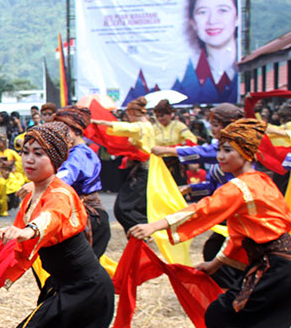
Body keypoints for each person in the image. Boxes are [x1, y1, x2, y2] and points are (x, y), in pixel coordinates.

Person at [129, 118, 291, 328]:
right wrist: (215, 263)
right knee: (254, 322)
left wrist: (154, 225)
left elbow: (202, 210)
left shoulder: (241, 187)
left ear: (246, 152)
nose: (220, 156)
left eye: (228, 150)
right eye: (219, 149)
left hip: (277, 269)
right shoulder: (260, 181)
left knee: (222, 316)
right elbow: (238, 236)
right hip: (284, 268)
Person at [0, 123, 115, 328]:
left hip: (87, 287)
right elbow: (23, 253)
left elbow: (51, 219)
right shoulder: (31, 197)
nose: (29, 160)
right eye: (25, 152)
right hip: (65, 285)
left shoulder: (60, 193)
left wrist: (25, 231)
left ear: (58, 160)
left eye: (39, 154)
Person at [52, 106, 112, 257]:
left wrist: (38, 185)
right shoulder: (71, 152)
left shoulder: (80, 154)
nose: (59, 135)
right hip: (79, 214)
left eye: (63, 130)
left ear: (76, 131)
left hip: (89, 217)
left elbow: (64, 177)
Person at [93, 96, 153, 234]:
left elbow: (125, 128)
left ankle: (144, 230)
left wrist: (101, 122)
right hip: (137, 170)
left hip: (142, 171)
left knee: (124, 208)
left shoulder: (142, 127)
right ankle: (140, 232)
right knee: (133, 207)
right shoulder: (144, 126)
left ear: (132, 113)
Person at [182, 0, 239, 103]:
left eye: (222, 10)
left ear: (237, 17)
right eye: (202, 12)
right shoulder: (189, 80)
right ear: (193, 22)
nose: (212, 20)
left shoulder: (241, 75)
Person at [152, 99, 197, 184]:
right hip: (159, 162)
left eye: (162, 115)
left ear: (170, 115)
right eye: (157, 116)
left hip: (176, 162)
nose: (160, 118)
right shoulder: (154, 128)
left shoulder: (179, 126)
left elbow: (191, 140)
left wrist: (176, 147)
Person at [0, 134, 24, 217]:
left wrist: (13, 167)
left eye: (1, 142)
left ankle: (14, 200)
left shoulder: (11, 152)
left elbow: (20, 161)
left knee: (14, 184)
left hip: (9, 174)